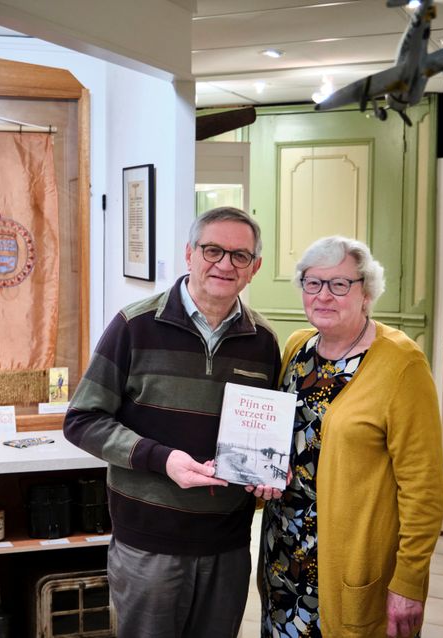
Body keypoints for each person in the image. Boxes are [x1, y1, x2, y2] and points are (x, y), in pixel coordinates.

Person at [64, 206, 282, 638]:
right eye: (213, 250)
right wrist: (160, 459)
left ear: (254, 268)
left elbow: (265, 436)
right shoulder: (134, 326)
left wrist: (269, 471)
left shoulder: (264, 343)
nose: (224, 264)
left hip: (228, 544)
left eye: (240, 256)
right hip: (149, 544)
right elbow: (83, 419)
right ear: (189, 254)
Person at [252, 236, 443, 638]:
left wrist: (409, 580)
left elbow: (424, 486)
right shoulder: (297, 347)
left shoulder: (401, 364)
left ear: (366, 292)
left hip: (349, 562)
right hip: (283, 551)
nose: (324, 295)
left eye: (340, 284)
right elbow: (284, 438)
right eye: (313, 282)